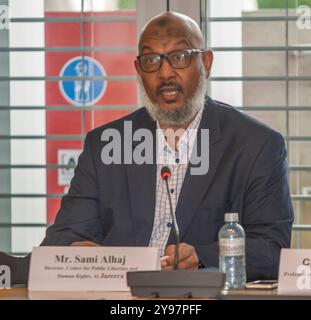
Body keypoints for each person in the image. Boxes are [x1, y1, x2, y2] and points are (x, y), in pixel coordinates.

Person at [5, 11, 293, 283]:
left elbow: (271, 248)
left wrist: (204, 257)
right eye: (151, 60)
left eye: (179, 56)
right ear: (138, 69)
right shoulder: (103, 144)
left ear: (205, 63)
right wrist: (78, 250)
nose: (165, 73)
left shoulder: (256, 145)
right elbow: (62, 236)